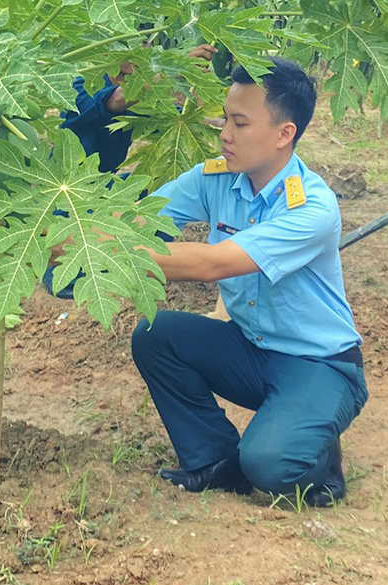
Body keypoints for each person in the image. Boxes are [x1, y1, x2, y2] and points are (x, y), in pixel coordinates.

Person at [128, 57, 365, 504]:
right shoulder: (215, 178)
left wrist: (117, 254)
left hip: (319, 363)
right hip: (252, 351)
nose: (225, 134)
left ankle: (321, 464)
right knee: (156, 336)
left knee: (269, 466)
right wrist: (71, 235)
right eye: (225, 120)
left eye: (239, 123)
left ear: (284, 134)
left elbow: (212, 264)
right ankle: (215, 461)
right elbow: (139, 221)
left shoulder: (311, 207)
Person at [47, 43, 217, 299]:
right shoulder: (82, 86)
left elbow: (173, 115)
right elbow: (115, 100)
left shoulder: (139, 97)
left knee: (160, 188)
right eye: (134, 52)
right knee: (69, 260)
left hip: (102, 188)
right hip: (67, 198)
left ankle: (145, 257)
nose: (140, 60)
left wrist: (226, 123)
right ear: (109, 54)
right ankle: (68, 274)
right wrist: (175, 70)